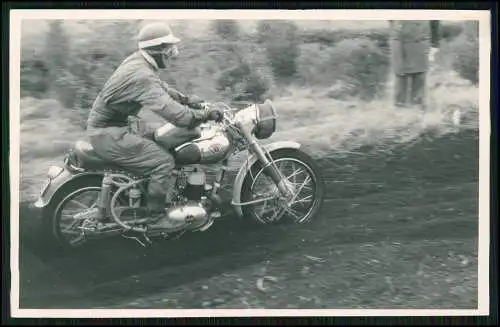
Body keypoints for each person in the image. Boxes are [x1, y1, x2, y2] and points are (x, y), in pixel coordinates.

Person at [86, 22, 223, 220]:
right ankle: (156, 217)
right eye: (168, 48)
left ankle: (160, 194)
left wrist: (186, 99)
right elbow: (178, 116)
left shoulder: (138, 63)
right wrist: (206, 115)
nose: (171, 53)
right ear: (157, 49)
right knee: (163, 162)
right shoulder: (141, 75)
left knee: (161, 140)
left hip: (117, 128)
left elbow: (162, 88)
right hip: (109, 134)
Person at [389, 20, 441, 109]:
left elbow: (435, 20)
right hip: (400, 39)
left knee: (420, 75)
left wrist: (435, 43)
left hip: (421, 38)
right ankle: (400, 109)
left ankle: (417, 109)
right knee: (400, 73)